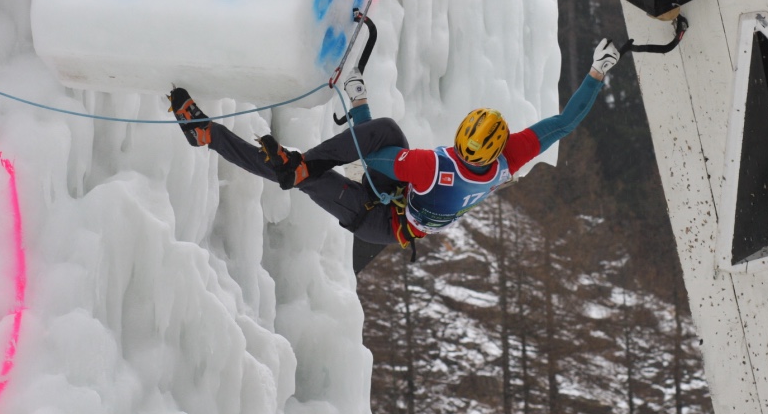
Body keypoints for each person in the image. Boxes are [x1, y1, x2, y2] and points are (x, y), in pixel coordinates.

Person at [168, 38, 621, 253]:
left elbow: (368, 158)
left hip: (376, 220)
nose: (459, 153)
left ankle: (208, 135)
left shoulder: (432, 168)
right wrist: (596, 75)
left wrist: (355, 109)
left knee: (296, 174)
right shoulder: (511, 157)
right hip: (402, 201)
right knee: (374, 133)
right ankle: (300, 165)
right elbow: (564, 122)